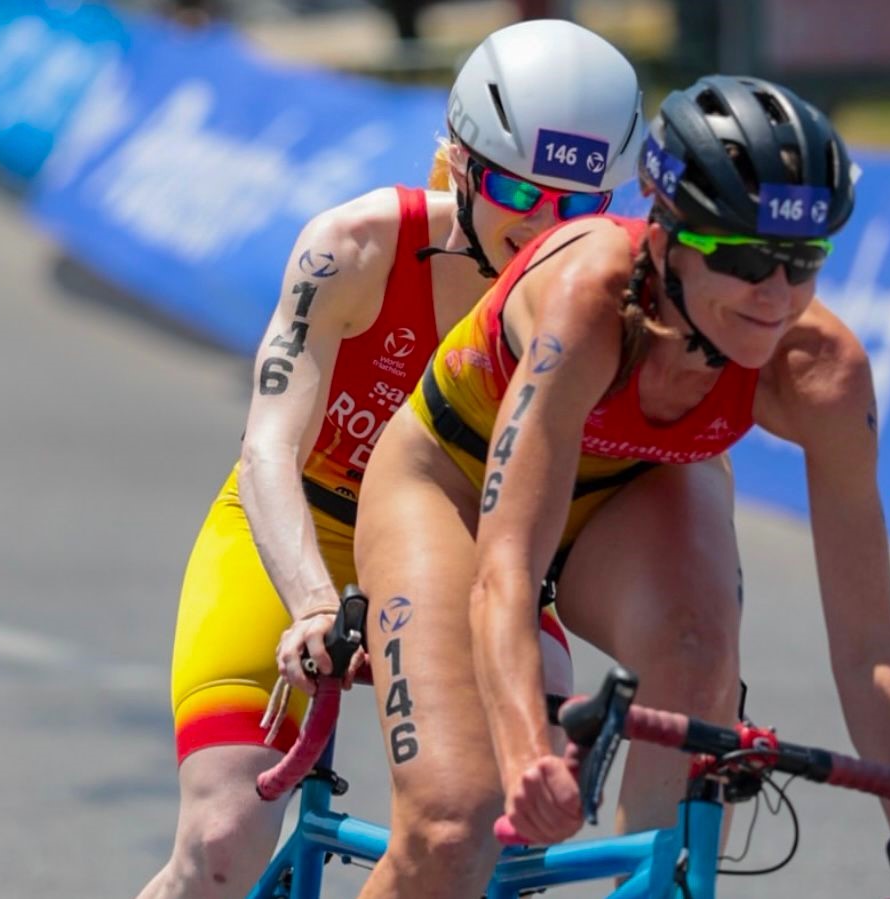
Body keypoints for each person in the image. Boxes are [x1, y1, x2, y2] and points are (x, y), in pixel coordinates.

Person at [352, 75, 890, 899]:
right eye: (746, 257)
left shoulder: (823, 371)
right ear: (663, 241)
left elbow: (868, 642)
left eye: (804, 261)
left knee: (695, 663)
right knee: (452, 825)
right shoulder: (590, 299)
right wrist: (526, 759)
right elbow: (505, 570)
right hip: (454, 483)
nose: (777, 296)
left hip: (627, 491)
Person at [135, 19, 644, 899]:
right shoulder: (357, 246)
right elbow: (267, 448)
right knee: (221, 839)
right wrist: (310, 605)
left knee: (502, 832)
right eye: (517, 192)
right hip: (308, 538)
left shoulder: (601, 300)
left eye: (575, 207)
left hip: (465, 560)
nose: (539, 230)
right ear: (460, 162)